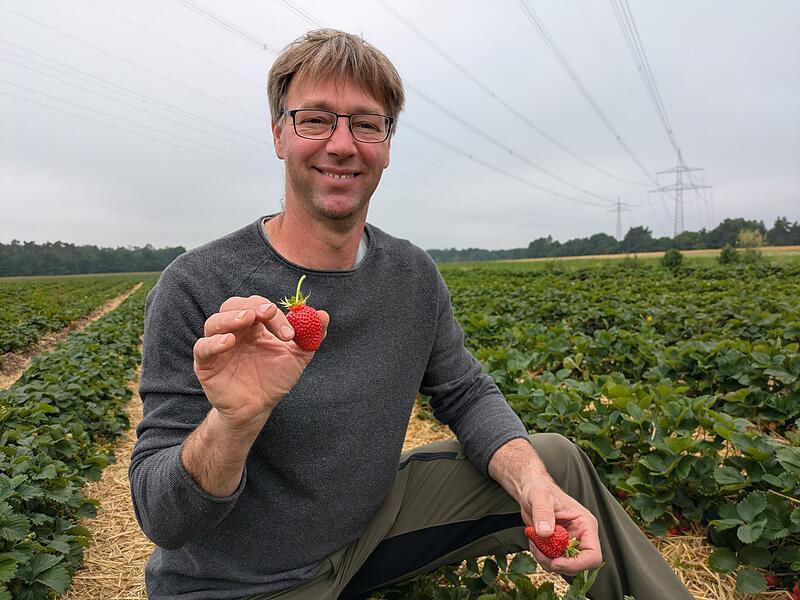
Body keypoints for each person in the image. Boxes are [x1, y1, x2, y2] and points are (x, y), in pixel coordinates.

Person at [129, 29, 693, 600]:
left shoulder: (411, 275)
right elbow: (162, 517)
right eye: (316, 119)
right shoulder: (198, 286)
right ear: (279, 134)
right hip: (244, 584)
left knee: (554, 465)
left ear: (388, 143)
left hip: (372, 530)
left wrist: (529, 483)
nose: (342, 144)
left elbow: (465, 392)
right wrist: (235, 424)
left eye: (366, 123)